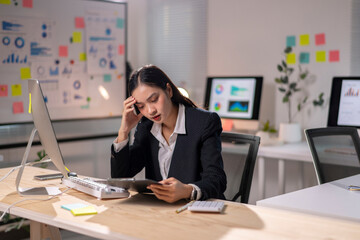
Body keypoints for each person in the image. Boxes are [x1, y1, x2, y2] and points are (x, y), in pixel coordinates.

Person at [111, 65, 226, 203]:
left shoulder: (204, 122)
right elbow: (121, 178)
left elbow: (216, 179)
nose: (150, 111)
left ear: (169, 90)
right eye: (141, 106)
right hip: (162, 212)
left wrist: (187, 190)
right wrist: (123, 132)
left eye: (154, 100)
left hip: (198, 209)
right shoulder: (146, 127)